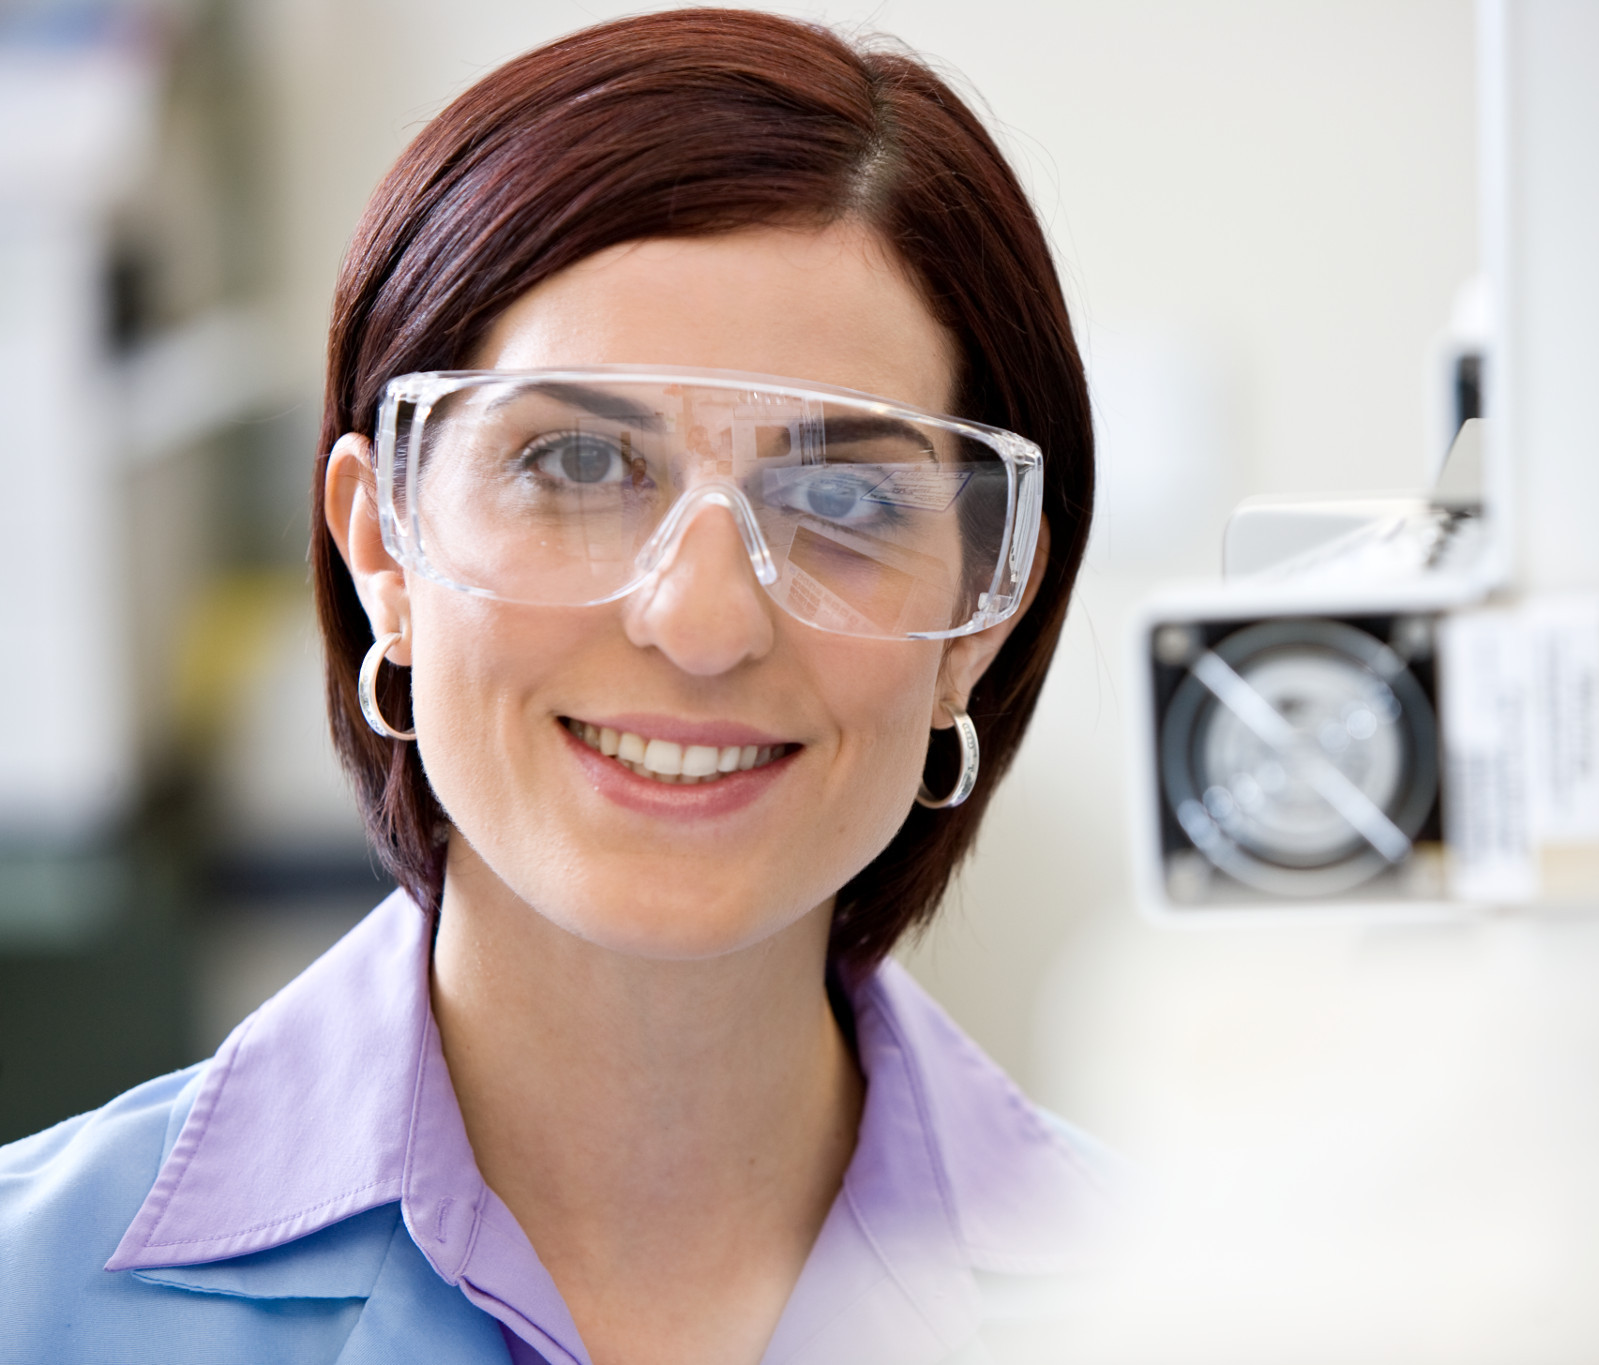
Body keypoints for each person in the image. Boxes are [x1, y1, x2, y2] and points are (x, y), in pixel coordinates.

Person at [0, 11, 1114, 1363]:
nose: (701, 622)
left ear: (974, 625)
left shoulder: (1218, 1313)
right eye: (580, 467)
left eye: (841, 494)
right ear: (382, 548)